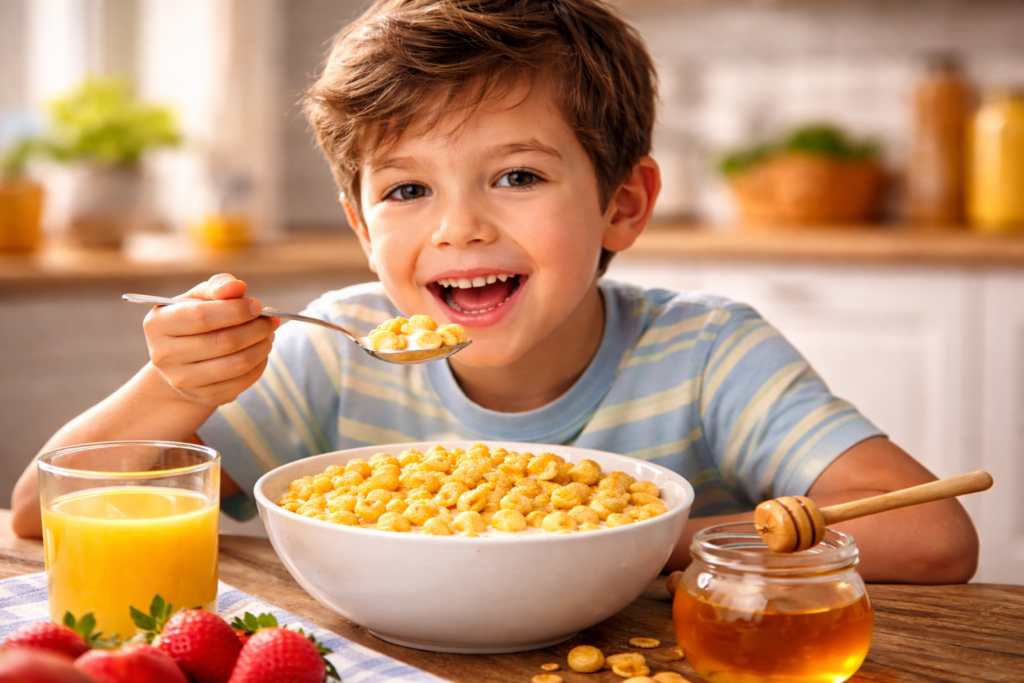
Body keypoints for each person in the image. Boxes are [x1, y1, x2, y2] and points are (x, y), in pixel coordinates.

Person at [12, 0, 978, 582]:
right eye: (405, 189)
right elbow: (41, 516)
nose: (458, 227)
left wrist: (643, 541)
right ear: (359, 225)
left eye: (516, 176)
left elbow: (930, 535)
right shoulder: (329, 347)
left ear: (623, 204)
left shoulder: (708, 353)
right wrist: (179, 385)